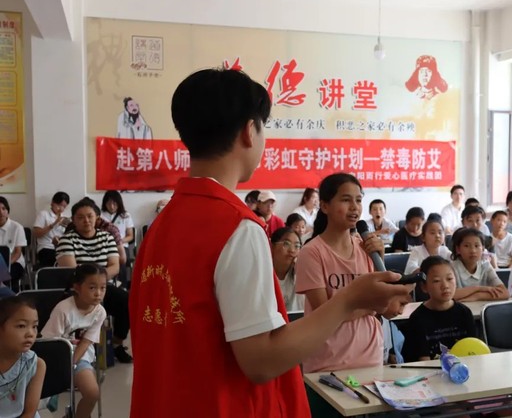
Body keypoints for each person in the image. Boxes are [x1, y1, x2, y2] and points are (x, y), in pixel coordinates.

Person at [128, 68, 411, 418]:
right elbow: (261, 361)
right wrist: (349, 300)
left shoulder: (163, 224)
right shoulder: (236, 227)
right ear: (249, 131)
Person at [295, 173, 388, 373]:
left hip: (370, 356)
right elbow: (324, 313)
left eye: (358, 200)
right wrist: (369, 307)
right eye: (346, 200)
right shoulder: (311, 252)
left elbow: (383, 305)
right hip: (328, 362)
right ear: (325, 206)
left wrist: (379, 257)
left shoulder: (366, 248)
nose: (354, 207)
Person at [56, 197, 133, 363]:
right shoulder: (67, 240)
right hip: (78, 289)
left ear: (97, 218)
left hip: (104, 286)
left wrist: (98, 284)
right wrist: (94, 282)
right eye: (80, 217)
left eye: (90, 216)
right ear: (73, 220)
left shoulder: (107, 237)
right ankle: (79, 348)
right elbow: (72, 271)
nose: (86, 220)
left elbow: (115, 266)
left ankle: (117, 344)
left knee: (126, 301)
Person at [42, 264, 107, 418]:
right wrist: (64, 366)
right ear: (77, 287)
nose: (98, 293)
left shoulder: (100, 312)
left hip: (79, 358)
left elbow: (86, 342)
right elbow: (50, 342)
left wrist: (72, 364)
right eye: (92, 288)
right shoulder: (63, 309)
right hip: (55, 358)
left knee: (92, 393)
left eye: (103, 288)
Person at [402, 256, 476, 361]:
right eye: (436, 281)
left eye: (449, 279)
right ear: (424, 286)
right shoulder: (418, 318)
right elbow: (423, 361)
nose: (445, 286)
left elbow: (474, 350)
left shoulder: (464, 313)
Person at [0, 296, 45, 418]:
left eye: (34, 326)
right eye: (21, 326)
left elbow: (29, 413)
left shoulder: (36, 364)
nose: (30, 333)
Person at [450, 228, 508, 302]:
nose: (473, 251)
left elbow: (504, 293)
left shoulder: (486, 266)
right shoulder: (451, 268)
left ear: (483, 249)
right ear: (458, 249)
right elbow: (450, 295)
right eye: (466, 246)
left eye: (477, 246)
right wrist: (479, 288)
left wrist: (478, 296)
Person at [33, 191, 71, 268]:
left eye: (64, 206)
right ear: (52, 203)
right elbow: (37, 233)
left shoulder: (65, 218)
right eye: (59, 205)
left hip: (61, 248)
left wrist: (69, 227)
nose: (61, 209)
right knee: (54, 259)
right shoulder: (43, 214)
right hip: (46, 247)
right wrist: (54, 224)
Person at [271, 228, 304, 312]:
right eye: (286, 244)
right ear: (272, 246)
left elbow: (302, 308)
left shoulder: (298, 273)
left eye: (297, 246)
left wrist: (300, 272)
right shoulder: (263, 274)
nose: (292, 250)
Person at [0, 197, 26, 292]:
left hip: (14, 262)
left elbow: (17, 253)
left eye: (3, 209)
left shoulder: (17, 227)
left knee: (6, 275)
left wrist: (5, 265)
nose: (1, 212)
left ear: (7, 211)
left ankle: (10, 298)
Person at [379, 294, 412, 365]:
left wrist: (390, 356)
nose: (401, 312)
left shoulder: (386, 321)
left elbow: (387, 351)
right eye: (401, 304)